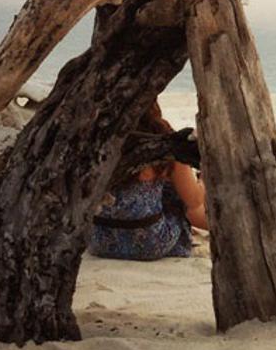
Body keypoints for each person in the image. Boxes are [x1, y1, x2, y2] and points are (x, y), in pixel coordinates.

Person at [89, 107, 208, 261]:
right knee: (177, 193)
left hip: (99, 241)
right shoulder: (161, 136)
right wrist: (204, 179)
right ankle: (222, 228)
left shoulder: (95, 137)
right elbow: (195, 200)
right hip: (150, 243)